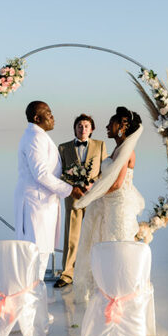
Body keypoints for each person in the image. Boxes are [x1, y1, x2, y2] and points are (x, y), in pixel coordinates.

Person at [72, 107, 145, 301]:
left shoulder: (127, 151)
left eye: (111, 123)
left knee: (117, 246)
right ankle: (107, 289)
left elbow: (117, 184)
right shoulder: (117, 149)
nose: (106, 126)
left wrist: (93, 193)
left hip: (119, 207)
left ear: (122, 127)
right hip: (107, 205)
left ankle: (121, 291)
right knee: (103, 244)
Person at [13, 101, 85, 279]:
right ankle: (31, 295)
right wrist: (70, 190)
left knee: (41, 251)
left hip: (43, 202)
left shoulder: (38, 135)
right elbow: (41, 174)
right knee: (35, 253)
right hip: (36, 202)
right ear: (37, 118)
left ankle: (34, 294)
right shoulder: (35, 138)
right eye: (48, 113)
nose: (53, 117)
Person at [54, 114, 108, 288]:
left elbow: (105, 171)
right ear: (74, 128)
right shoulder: (63, 147)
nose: (82, 129)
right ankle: (67, 273)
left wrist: (92, 185)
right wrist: (72, 187)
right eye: (79, 126)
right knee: (72, 235)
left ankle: (93, 273)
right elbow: (59, 173)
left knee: (94, 234)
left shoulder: (100, 145)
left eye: (86, 126)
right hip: (73, 196)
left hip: (94, 196)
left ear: (91, 129)